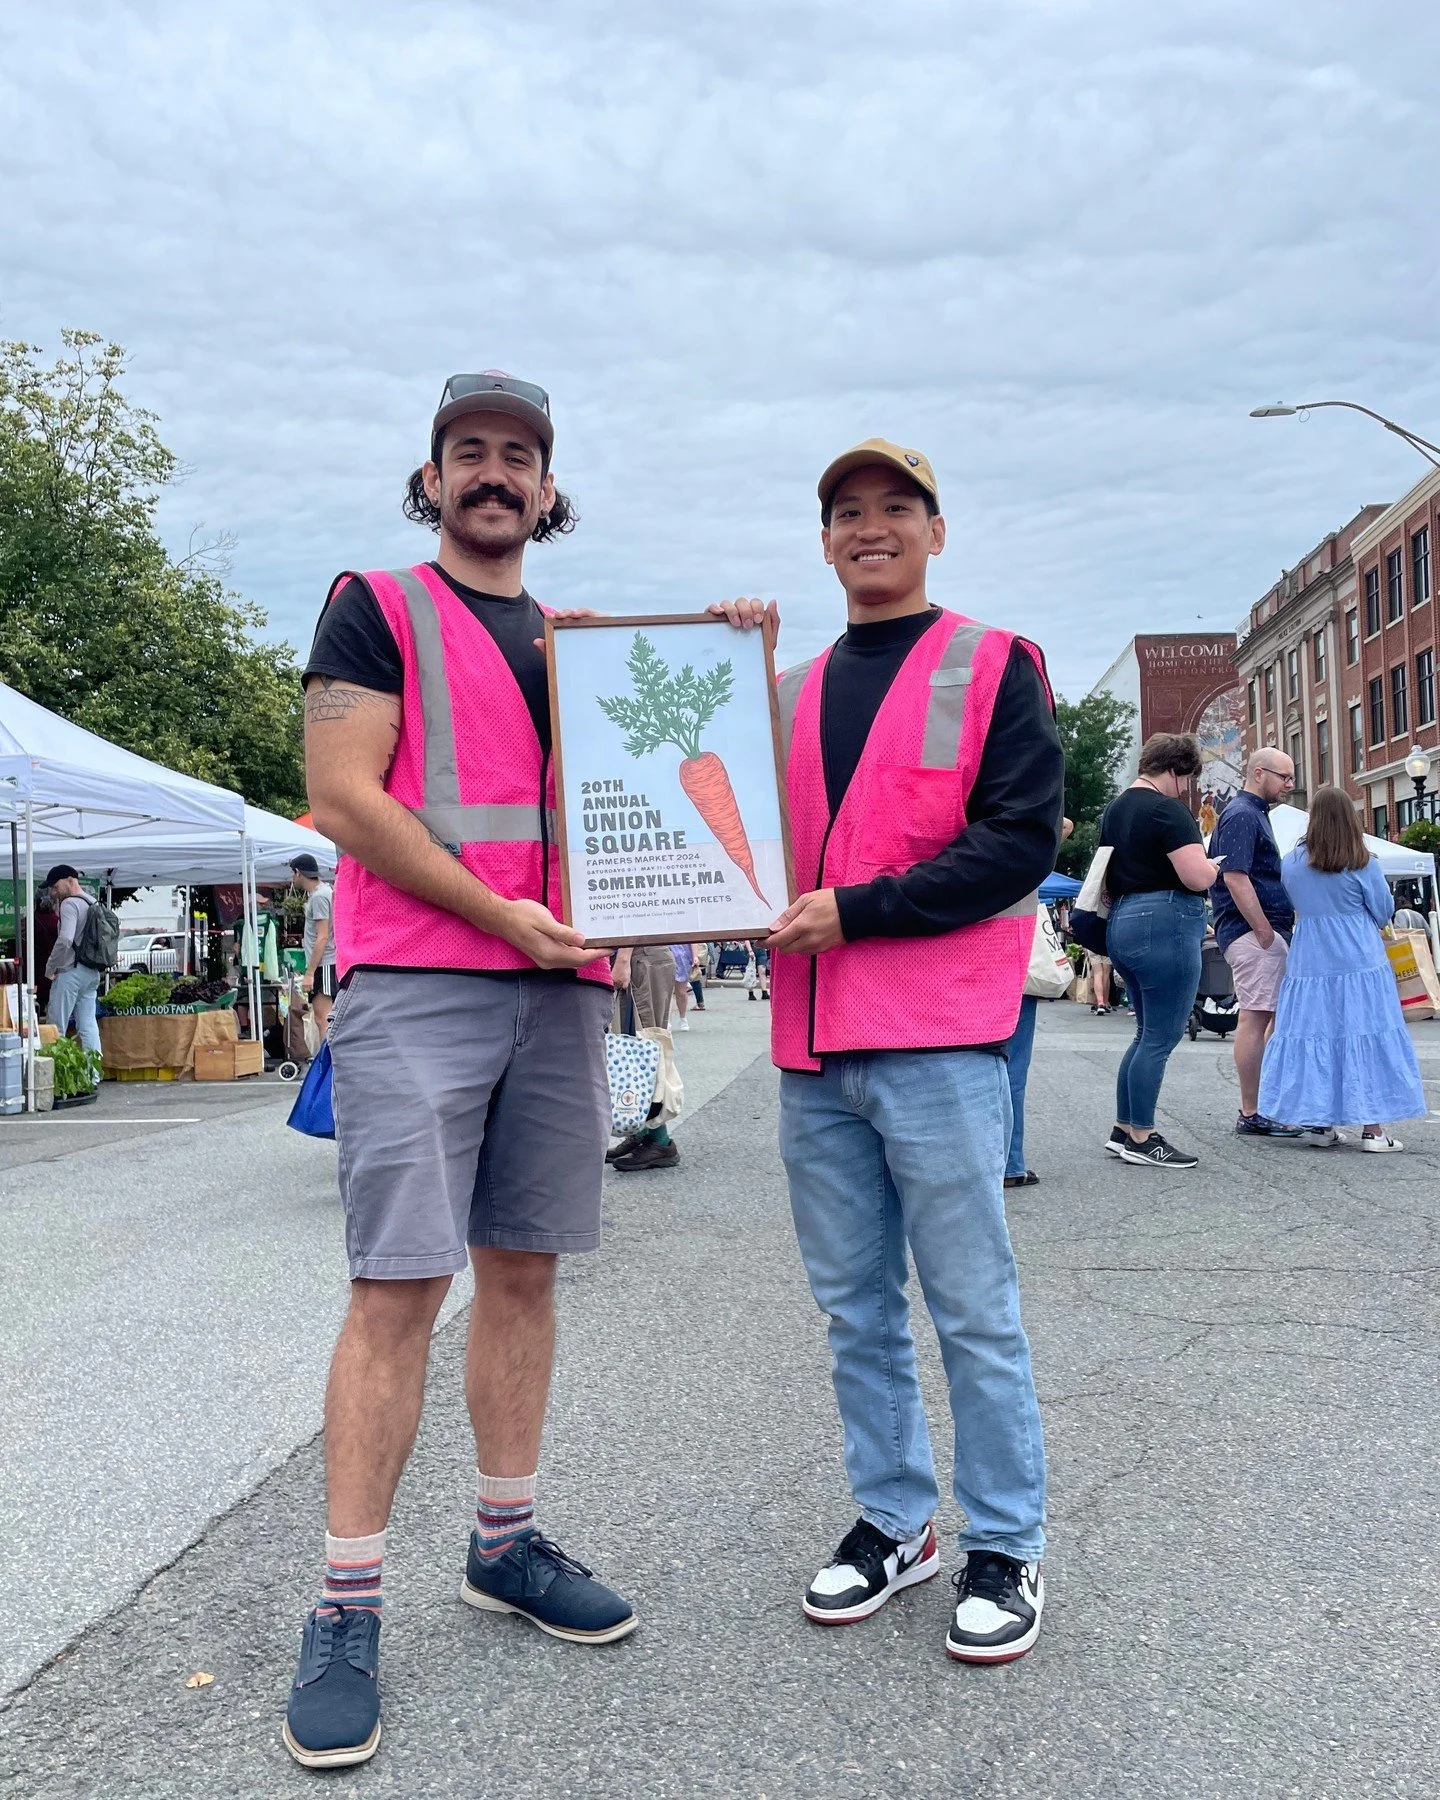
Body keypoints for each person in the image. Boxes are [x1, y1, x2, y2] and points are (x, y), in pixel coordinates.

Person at [287, 372, 765, 1771]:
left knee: (527, 1270)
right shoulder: (374, 605)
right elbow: (344, 796)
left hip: (557, 988)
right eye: (468, 453)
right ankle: (346, 1600)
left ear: (549, 493)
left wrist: (739, 653)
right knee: (395, 1289)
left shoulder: (581, 639)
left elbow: (685, 765)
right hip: (428, 980)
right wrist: (497, 914)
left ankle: (504, 1542)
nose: (494, 475)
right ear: (430, 480)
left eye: (519, 457)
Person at [768, 438, 1061, 1664]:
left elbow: (1019, 842)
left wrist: (864, 908)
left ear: (935, 530)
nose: (869, 526)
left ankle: (1006, 1541)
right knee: (855, 1310)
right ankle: (899, 1521)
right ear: (824, 540)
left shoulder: (995, 664)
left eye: (895, 506)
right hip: (810, 1043)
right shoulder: (774, 686)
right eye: (847, 510)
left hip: (937, 1034)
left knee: (971, 1307)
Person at [1259, 785, 1426, 1151]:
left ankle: (1320, 1123)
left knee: (1316, 1032)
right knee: (1365, 1032)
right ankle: (1373, 1130)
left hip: (1311, 955)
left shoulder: (1292, 861)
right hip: (1358, 955)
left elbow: (1289, 901)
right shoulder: (1363, 861)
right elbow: (1383, 910)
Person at [1098, 736, 1221, 1169]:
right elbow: (1195, 877)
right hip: (1165, 920)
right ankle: (1143, 1137)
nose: (1184, 788)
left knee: (1143, 1032)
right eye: (1185, 779)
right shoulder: (1168, 811)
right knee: (1161, 1036)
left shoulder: (1116, 809)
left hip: (1124, 921)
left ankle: (1124, 1128)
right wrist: (1215, 866)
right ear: (1175, 770)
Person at [1209, 750, 1302, 1139]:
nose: (1290, 784)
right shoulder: (1244, 814)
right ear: (1258, 773)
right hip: (1253, 933)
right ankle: (1252, 1111)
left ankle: (1262, 1105)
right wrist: (1263, 930)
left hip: (1257, 931)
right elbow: (1234, 876)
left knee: (1266, 1016)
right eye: (1285, 776)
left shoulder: (1251, 813)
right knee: (1256, 1016)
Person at [1004, 818, 1074, 1190]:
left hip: (960, 952)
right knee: (1013, 1065)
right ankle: (1009, 1161)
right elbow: (1061, 824)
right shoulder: (1017, 830)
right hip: (1012, 951)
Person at [607, 942, 682, 1171]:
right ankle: (643, 1131)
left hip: (641, 956)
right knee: (633, 1048)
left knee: (646, 1046)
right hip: (638, 955)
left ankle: (660, 1141)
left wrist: (623, 958)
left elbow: (629, 909)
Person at [43, 866, 102, 1061]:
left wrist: (50, 967)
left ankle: (56, 1075)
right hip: (91, 972)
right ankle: (92, 1074)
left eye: (55, 886)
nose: (53, 891)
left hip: (70, 972)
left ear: (69, 880)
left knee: (56, 1027)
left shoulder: (69, 904)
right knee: (88, 1025)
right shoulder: (93, 902)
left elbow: (66, 939)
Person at [288, 853, 338, 1039]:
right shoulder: (327, 891)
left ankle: (328, 1063)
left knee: (323, 1018)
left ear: (298, 872)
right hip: (329, 962)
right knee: (328, 1018)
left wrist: (310, 972)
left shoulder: (318, 897)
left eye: (293, 873)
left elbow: (322, 936)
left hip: (324, 963)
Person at [669, 942, 694, 1030]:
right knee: (667, 992)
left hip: (683, 956)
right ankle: (667, 1020)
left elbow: (693, 939)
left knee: (681, 992)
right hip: (667, 953)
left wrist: (695, 956)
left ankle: (683, 1018)